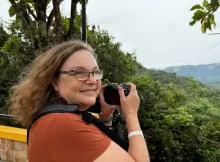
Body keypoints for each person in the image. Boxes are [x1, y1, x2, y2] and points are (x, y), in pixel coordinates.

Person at [9, 40, 150, 162]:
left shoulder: (56, 118)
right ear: (54, 82)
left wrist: (106, 117)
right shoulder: (62, 124)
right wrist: (131, 115)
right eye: (79, 73)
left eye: (95, 72)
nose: (93, 80)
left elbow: (98, 148)